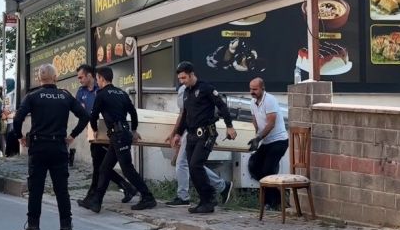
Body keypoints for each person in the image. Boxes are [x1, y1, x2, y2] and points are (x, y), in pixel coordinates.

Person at [11, 63, 89, 230]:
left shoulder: (33, 96)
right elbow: (84, 116)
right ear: (56, 77)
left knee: (36, 189)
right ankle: (66, 229)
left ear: (39, 79)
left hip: (38, 148)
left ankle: (33, 228)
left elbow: (18, 118)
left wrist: (20, 136)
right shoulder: (65, 96)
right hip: (58, 147)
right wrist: (72, 135)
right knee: (62, 190)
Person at [81, 66, 157, 213]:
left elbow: (93, 115)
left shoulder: (101, 94)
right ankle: (96, 202)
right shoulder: (121, 93)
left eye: (97, 79)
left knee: (127, 169)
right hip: (122, 134)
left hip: (118, 136)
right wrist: (134, 129)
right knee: (104, 168)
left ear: (101, 79)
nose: (97, 81)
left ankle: (148, 197)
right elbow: (133, 112)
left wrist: (95, 130)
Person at [170, 61, 237, 214]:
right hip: (192, 135)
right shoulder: (186, 92)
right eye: (180, 79)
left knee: (195, 165)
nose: (182, 81)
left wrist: (230, 126)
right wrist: (178, 134)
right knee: (193, 169)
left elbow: (222, 106)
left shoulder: (206, 88)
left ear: (192, 74)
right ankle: (204, 200)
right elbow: (185, 115)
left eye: (184, 78)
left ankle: (210, 198)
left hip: (206, 133)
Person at [75, 64, 137, 207]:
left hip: (109, 133)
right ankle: (126, 187)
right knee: (101, 166)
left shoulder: (102, 90)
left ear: (90, 76)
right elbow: (82, 112)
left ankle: (93, 197)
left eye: (81, 77)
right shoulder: (81, 92)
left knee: (101, 167)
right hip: (94, 134)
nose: (79, 80)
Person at [247, 77, 289, 210]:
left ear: (262, 88)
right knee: (254, 166)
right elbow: (255, 122)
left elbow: (271, 123)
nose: (252, 92)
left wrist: (258, 138)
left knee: (268, 170)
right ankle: (275, 200)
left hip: (279, 141)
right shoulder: (252, 102)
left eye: (255, 89)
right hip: (266, 141)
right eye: (250, 89)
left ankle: (273, 202)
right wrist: (253, 137)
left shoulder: (270, 100)